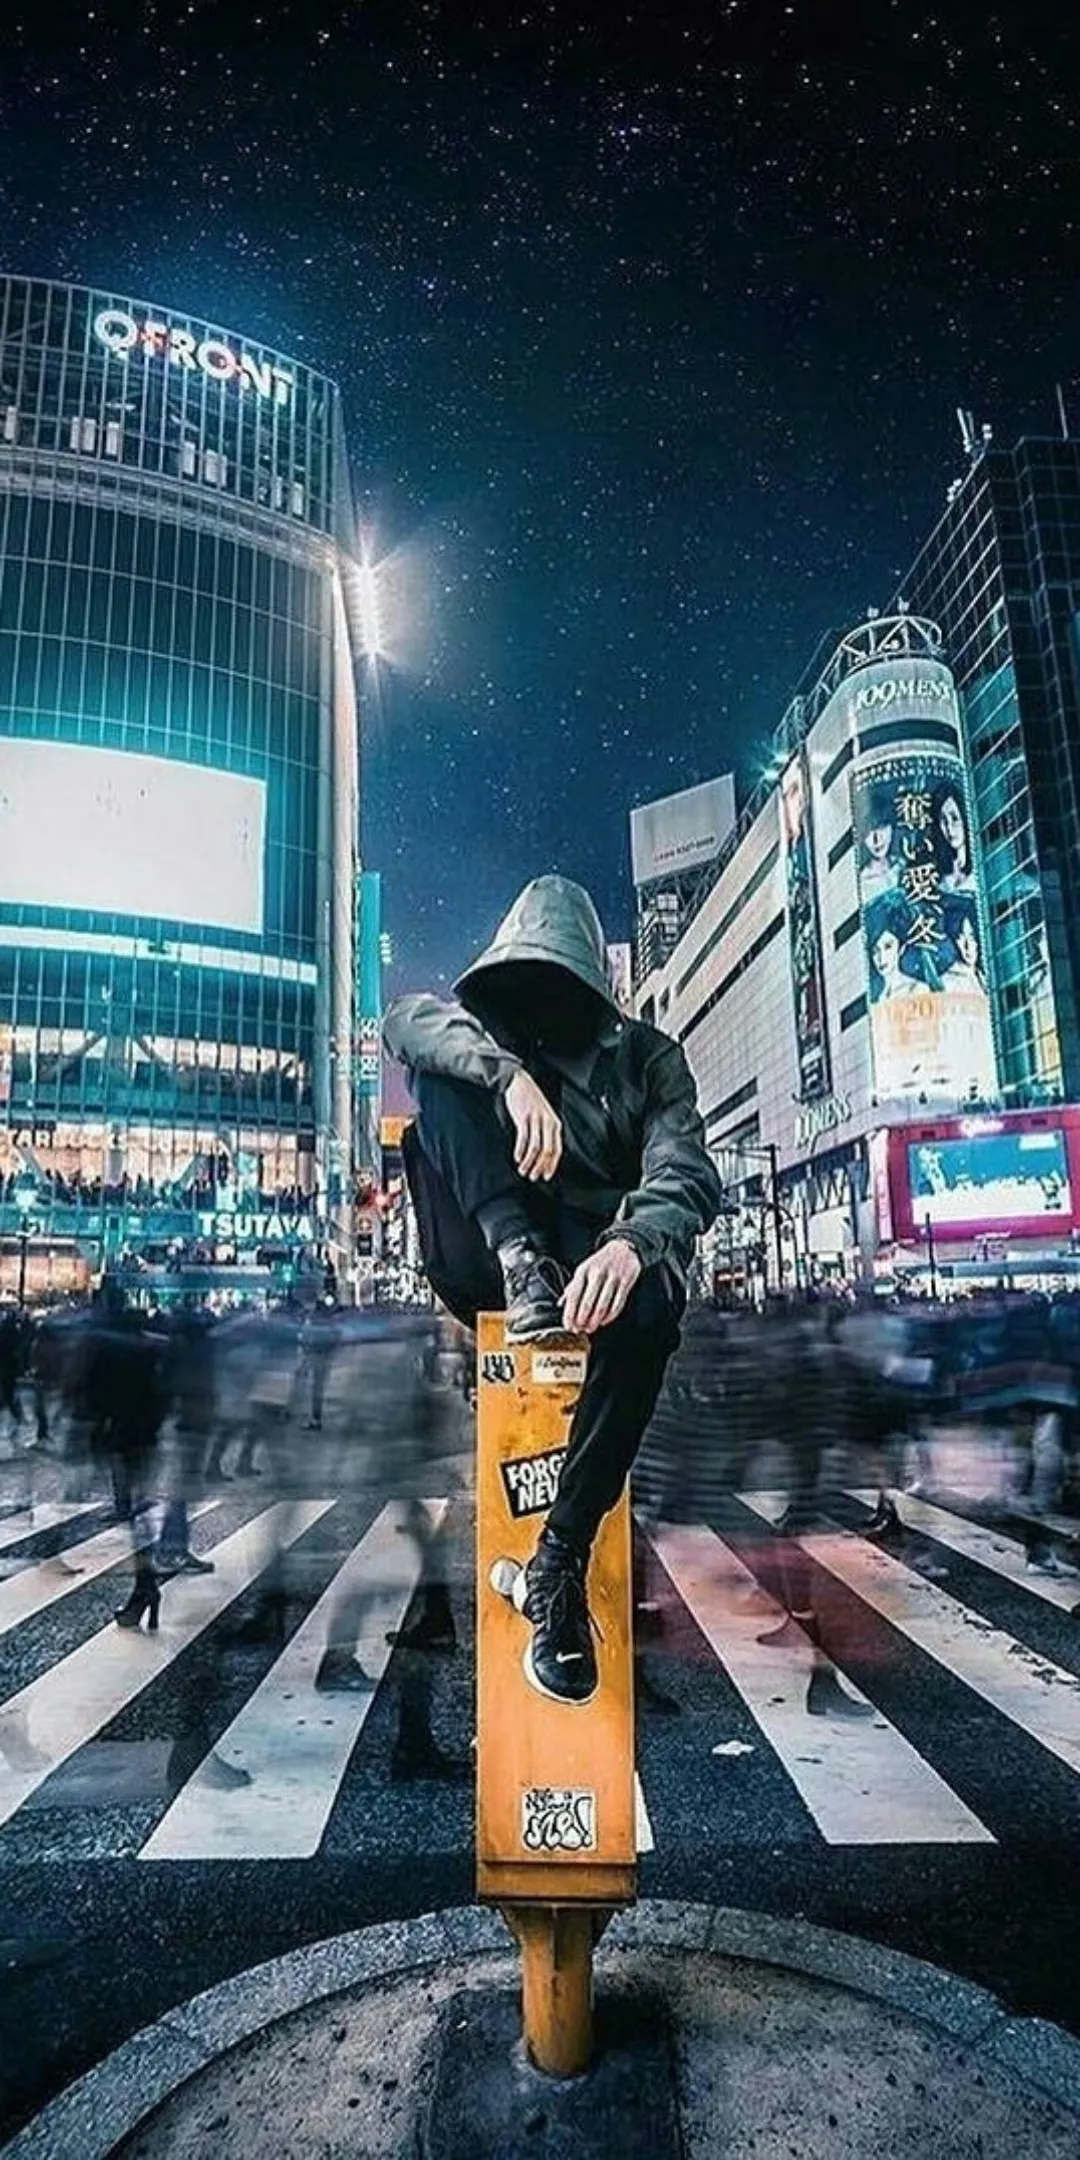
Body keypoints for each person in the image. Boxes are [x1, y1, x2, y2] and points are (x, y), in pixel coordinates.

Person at [384, 873, 722, 1706]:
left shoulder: (648, 1057)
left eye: (557, 984)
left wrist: (634, 1245)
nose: (542, 1005)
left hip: (600, 1256)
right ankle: (520, 1252)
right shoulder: (494, 1039)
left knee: (653, 1302)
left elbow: (687, 1170)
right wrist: (505, 1075)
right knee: (438, 1080)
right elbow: (402, 1023)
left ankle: (556, 1567)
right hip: (494, 1250)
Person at [931, 782, 976, 894]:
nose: (949, 828)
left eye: (955, 819)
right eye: (943, 820)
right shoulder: (943, 875)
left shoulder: (981, 867)